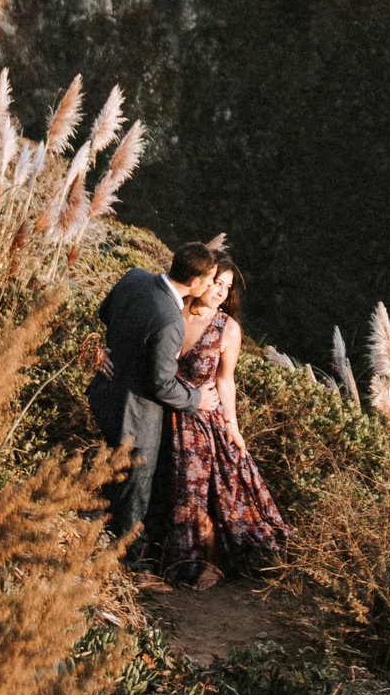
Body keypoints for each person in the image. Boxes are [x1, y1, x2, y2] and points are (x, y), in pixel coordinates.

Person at [158, 249, 289, 588]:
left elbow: (224, 380)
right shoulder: (173, 310)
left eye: (227, 287)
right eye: (216, 282)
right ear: (199, 280)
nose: (220, 291)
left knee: (198, 491)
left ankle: (202, 565)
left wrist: (233, 427)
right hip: (162, 415)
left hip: (202, 421)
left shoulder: (227, 328)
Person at [87, 242, 217, 567]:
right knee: (135, 486)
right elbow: (162, 385)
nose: (213, 287)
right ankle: (132, 560)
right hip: (137, 414)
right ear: (196, 283)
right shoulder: (171, 320)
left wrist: (112, 352)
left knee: (112, 473)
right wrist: (198, 400)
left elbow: (105, 314)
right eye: (210, 280)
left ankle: (100, 531)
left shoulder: (135, 277)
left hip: (105, 393)